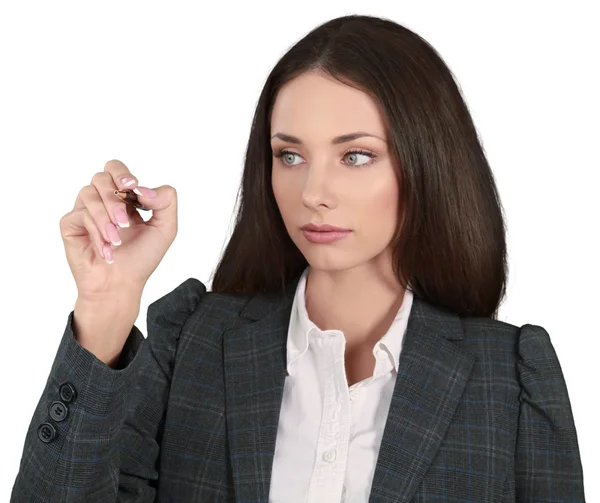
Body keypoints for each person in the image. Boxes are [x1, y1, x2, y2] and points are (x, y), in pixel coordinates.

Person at [11, 14, 585, 503]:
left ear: (425, 163)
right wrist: (106, 307)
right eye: (290, 155)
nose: (313, 191)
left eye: (356, 156)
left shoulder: (510, 380)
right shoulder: (192, 342)